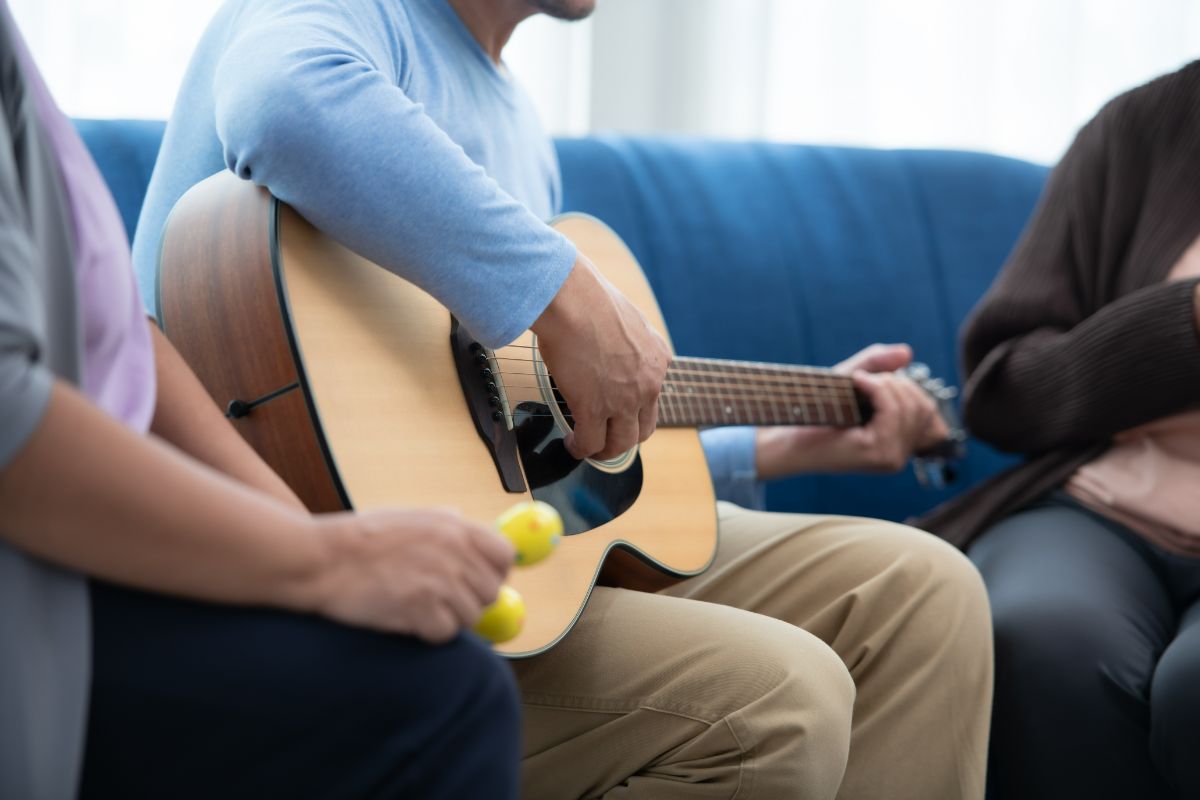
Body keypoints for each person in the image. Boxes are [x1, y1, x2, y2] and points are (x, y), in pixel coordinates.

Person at [130, 1, 994, 798]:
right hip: (307, 588)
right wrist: (563, 291)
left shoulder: (514, 120)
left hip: (504, 556)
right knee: (777, 698)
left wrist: (770, 450)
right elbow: (284, 99)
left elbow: (523, 452)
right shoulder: (355, 14)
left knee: (926, 590)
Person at [0, 4, 525, 798]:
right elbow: (12, 415)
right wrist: (324, 561)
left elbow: (116, 340)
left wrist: (304, 537)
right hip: (51, 589)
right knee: (446, 697)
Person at [918, 62, 1200, 800]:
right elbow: (1004, 393)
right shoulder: (1139, 127)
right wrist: (1185, 322)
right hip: (1099, 508)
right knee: (1041, 639)